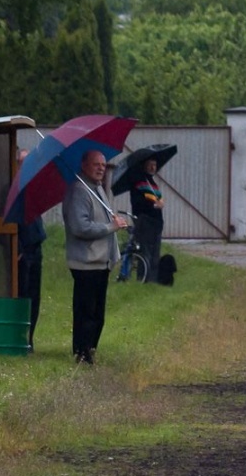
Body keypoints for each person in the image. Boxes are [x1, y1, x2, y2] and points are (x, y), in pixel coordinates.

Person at [62, 150, 128, 364]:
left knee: (98, 314)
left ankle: (90, 349)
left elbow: (101, 220)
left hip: (101, 262)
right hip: (86, 263)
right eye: (96, 164)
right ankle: (82, 352)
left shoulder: (97, 188)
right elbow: (79, 227)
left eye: (103, 164)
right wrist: (110, 227)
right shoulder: (79, 191)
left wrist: (113, 222)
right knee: (86, 312)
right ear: (84, 165)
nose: (101, 168)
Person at [16, 148, 46, 352]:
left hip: (36, 246)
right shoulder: (13, 188)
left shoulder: (33, 187)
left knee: (35, 296)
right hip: (22, 249)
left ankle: (30, 338)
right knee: (23, 294)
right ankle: (20, 337)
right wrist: (17, 247)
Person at [129, 157, 165, 283]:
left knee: (155, 252)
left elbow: (158, 199)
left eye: (154, 165)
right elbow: (137, 203)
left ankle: (153, 280)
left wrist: (160, 203)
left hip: (157, 222)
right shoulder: (138, 182)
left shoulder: (152, 183)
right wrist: (154, 205)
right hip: (145, 221)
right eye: (150, 165)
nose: (153, 167)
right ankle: (143, 278)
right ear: (144, 166)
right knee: (145, 252)